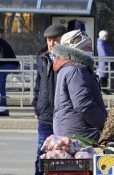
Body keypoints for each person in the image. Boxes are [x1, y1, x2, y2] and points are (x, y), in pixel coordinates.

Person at [52, 30, 108, 141]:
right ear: (78, 49)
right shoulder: (76, 69)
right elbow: (84, 104)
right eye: (88, 47)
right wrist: (105, 124)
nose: (91, 51)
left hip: (72, 129)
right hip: (80, 134)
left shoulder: (69, 67)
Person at [32, 24, 67, 175]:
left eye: (55, 40)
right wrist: (36, 106)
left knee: (65, 157)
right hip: (45, 116)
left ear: (64, 41)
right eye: (49, 40)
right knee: (42, 154)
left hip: (64, 117)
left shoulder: (68, 59)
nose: (51, 44)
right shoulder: (42, 59)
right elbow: (38, 85)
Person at [0, 37, 20, 116]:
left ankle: (2, 109)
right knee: (1, 87)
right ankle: (3, 110)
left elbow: (2, 58)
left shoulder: (2, 43)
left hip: (11, 65)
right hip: (5, 65)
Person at [97, 30, 114, 95]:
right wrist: (109, 59)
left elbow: (110, 52)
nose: (107, 37)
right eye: (105, 36)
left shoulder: (105, 43)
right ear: (102, 36)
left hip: (108, 62)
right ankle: (103, 89)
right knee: (103, 76)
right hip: (104, 63)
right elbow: (103, 54)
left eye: (107, 36)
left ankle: (105, 89)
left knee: (106, 76)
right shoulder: (100, 44)